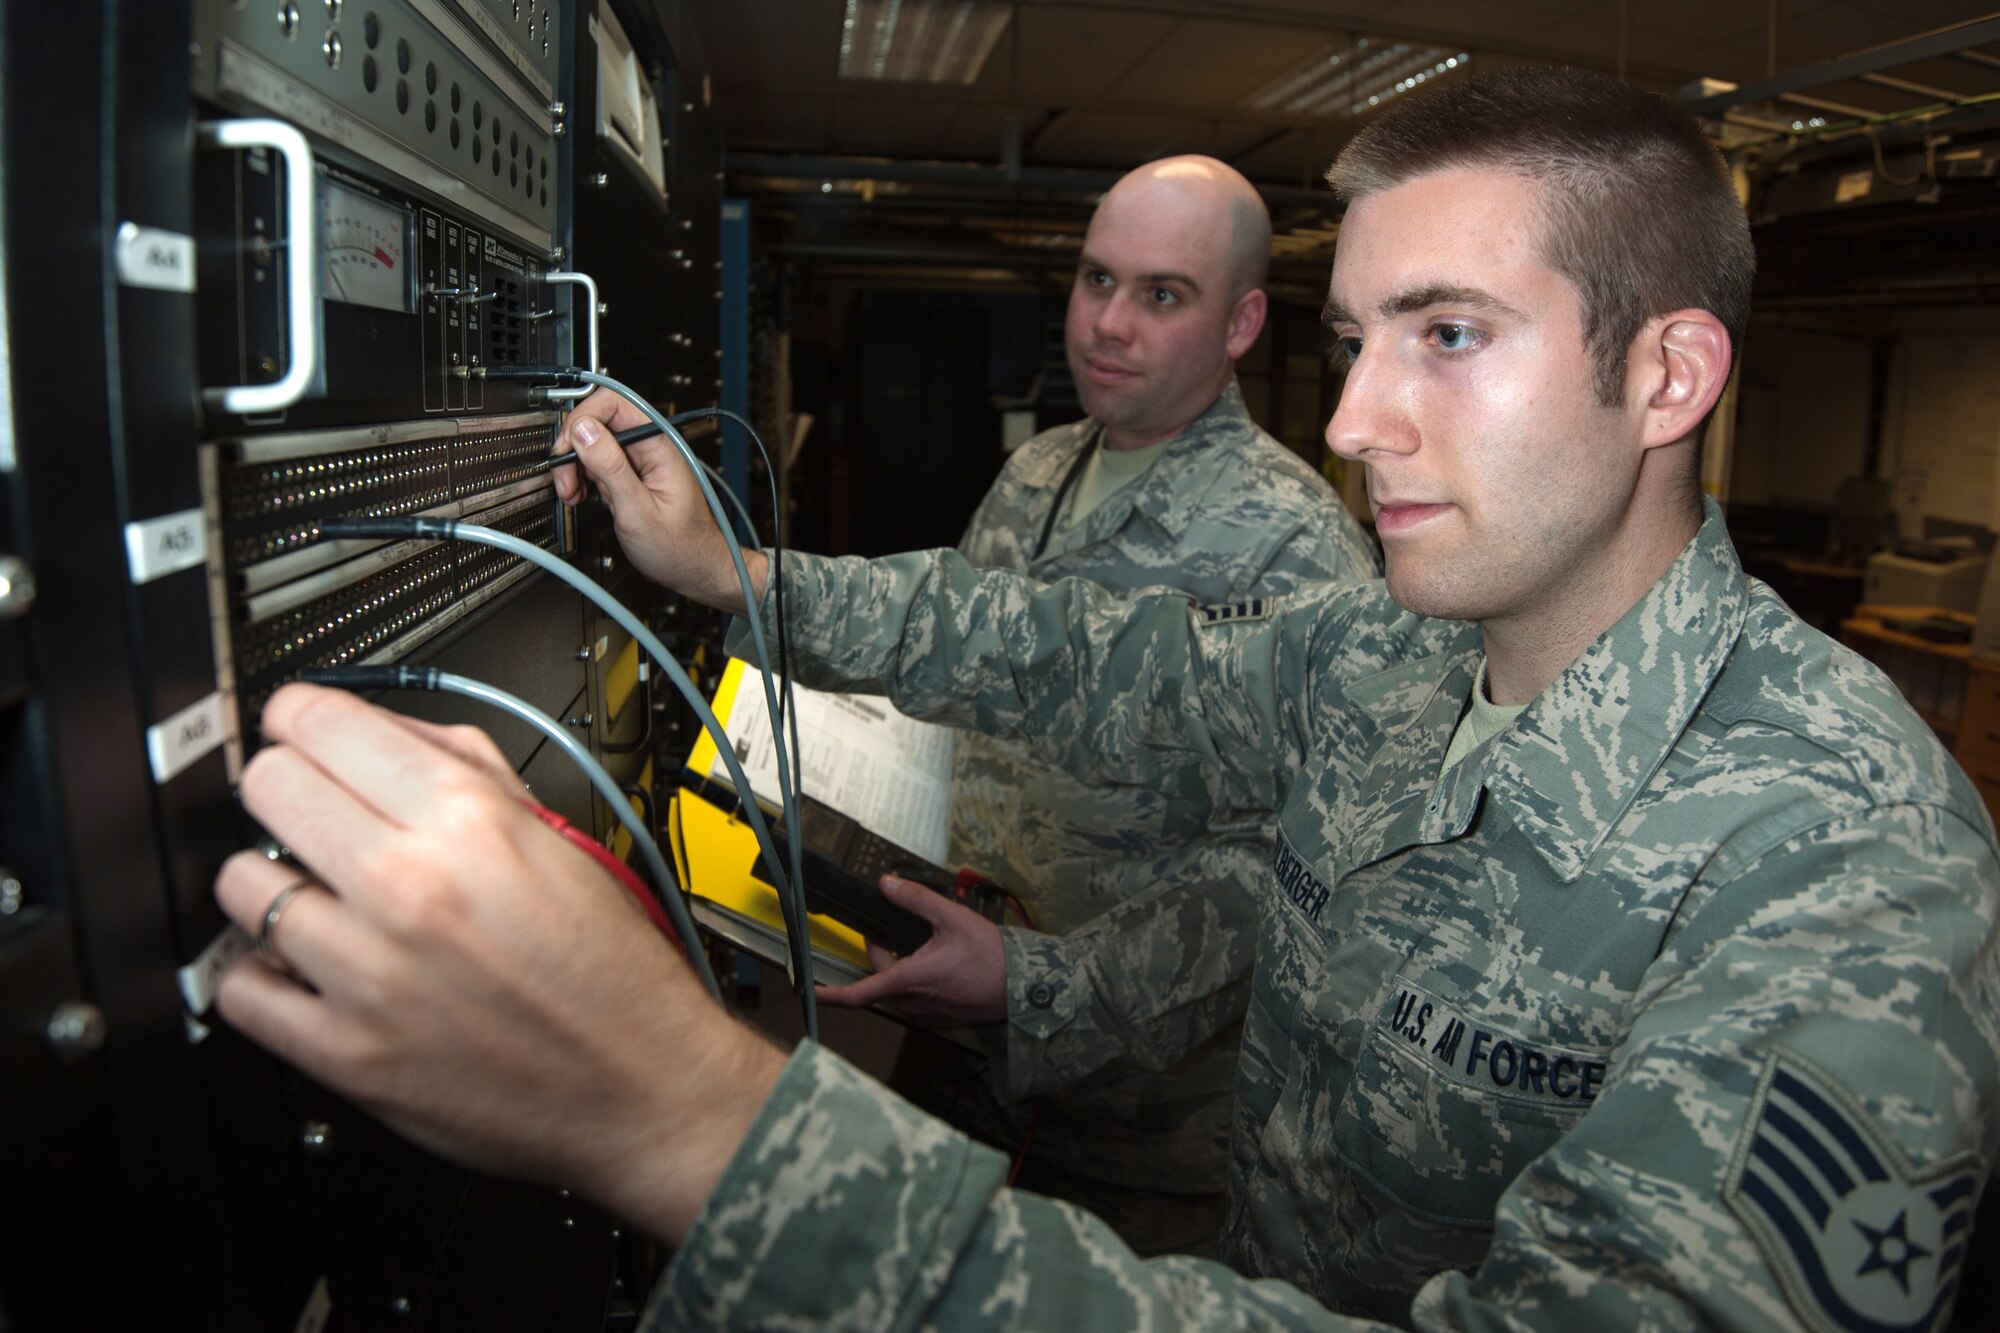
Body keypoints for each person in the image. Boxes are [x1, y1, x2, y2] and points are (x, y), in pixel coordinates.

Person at [215, 66, 2000, 1330]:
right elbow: (1061, 652)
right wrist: (739, 579)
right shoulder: (1389, 657)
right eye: (1357, 338)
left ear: (1670, 374)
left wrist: (684, 1118)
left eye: (1447, 334)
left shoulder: (1843, 854)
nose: (1352, 418)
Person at [819, 153, 1377, 1255]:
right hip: (959, 1061)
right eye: (1095, 280)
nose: (1108, 324)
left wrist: (1036, 987)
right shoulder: (1034, 474)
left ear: (1240, 324)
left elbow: (1293, 873)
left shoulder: (1296, 546)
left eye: (1162, 294)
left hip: (1140, 1136)